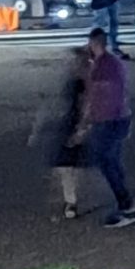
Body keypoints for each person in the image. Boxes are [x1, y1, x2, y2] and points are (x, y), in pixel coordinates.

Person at [83, 28, 135, 227]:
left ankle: (127, 206)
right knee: (113, 160)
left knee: (106, 162)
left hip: (107, 120)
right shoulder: (116, 62)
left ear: (93, 43)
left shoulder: (100, 66)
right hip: (121, 117)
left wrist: (85, 123)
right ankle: (125, 202)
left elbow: (96, 97)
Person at [35, 46, 89, 220]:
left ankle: (71, 200)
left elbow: (86, 105)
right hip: (65, 125)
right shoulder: (69, 80)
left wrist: (82, 128)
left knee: (71, 165)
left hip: (76, 125)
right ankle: (70, 200)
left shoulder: (84, 82)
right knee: (66, 166)